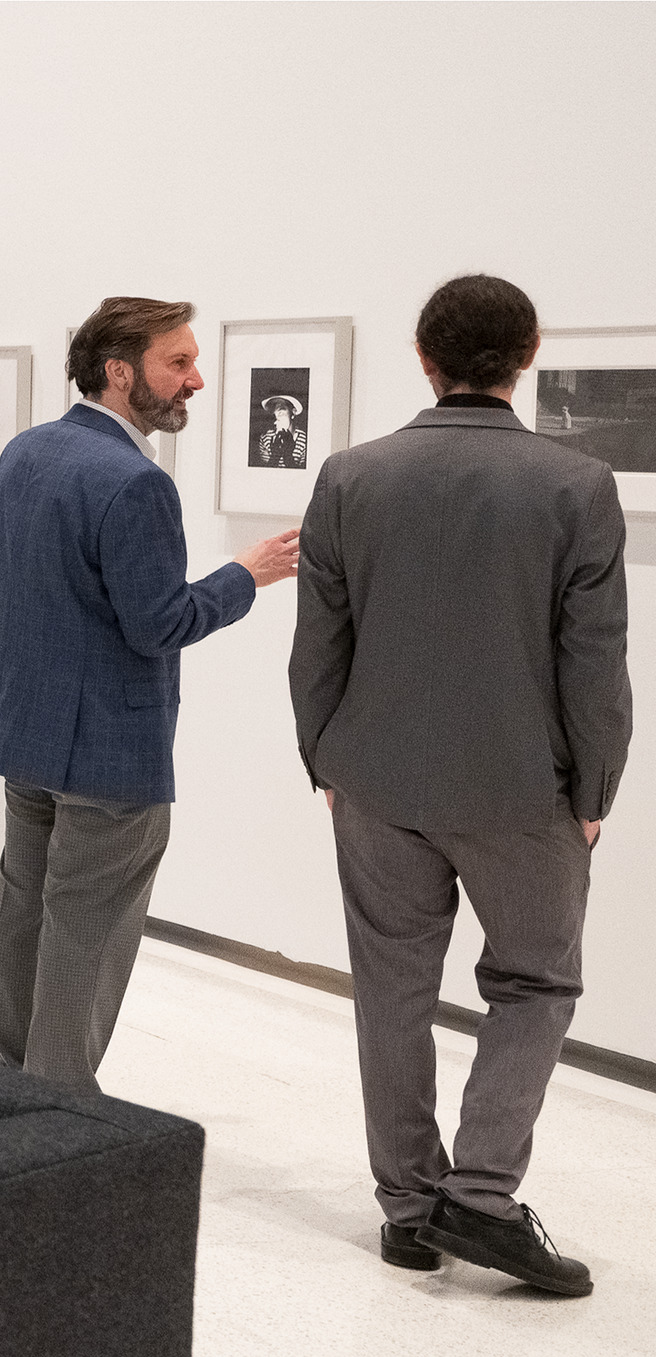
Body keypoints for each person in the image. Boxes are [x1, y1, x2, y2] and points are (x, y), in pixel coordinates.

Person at [289, 274, 629, 1297]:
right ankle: (478, 1194)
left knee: (390, 988)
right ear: (527, 354)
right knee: (534, 983)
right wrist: (595, 791)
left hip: (374, 781)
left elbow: (318, 646)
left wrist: (325, 759)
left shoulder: (350, 475)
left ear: (422, 356)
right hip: (524, 790)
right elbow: (593, 663)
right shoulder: (576, 485)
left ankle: (408, 1208)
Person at [0, 297, 300, 1093]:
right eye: (178, 363)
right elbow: (160, 623)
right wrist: (244, 575)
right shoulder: (137, 482)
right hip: (108, 756)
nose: (197, 380)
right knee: (87, 923)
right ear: (119, 372)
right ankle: (57, 1100)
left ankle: (10, 1077)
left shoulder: (23, 452)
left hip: (25, 732)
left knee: (24, 903)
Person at [257, 394, 308, 468]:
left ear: (293, 412)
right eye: (275, 407)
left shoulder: (305, 440)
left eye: (282, 407)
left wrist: (288, 455)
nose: (278, 408)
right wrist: (275, 455)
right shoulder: (265, 438)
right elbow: (264, 472)